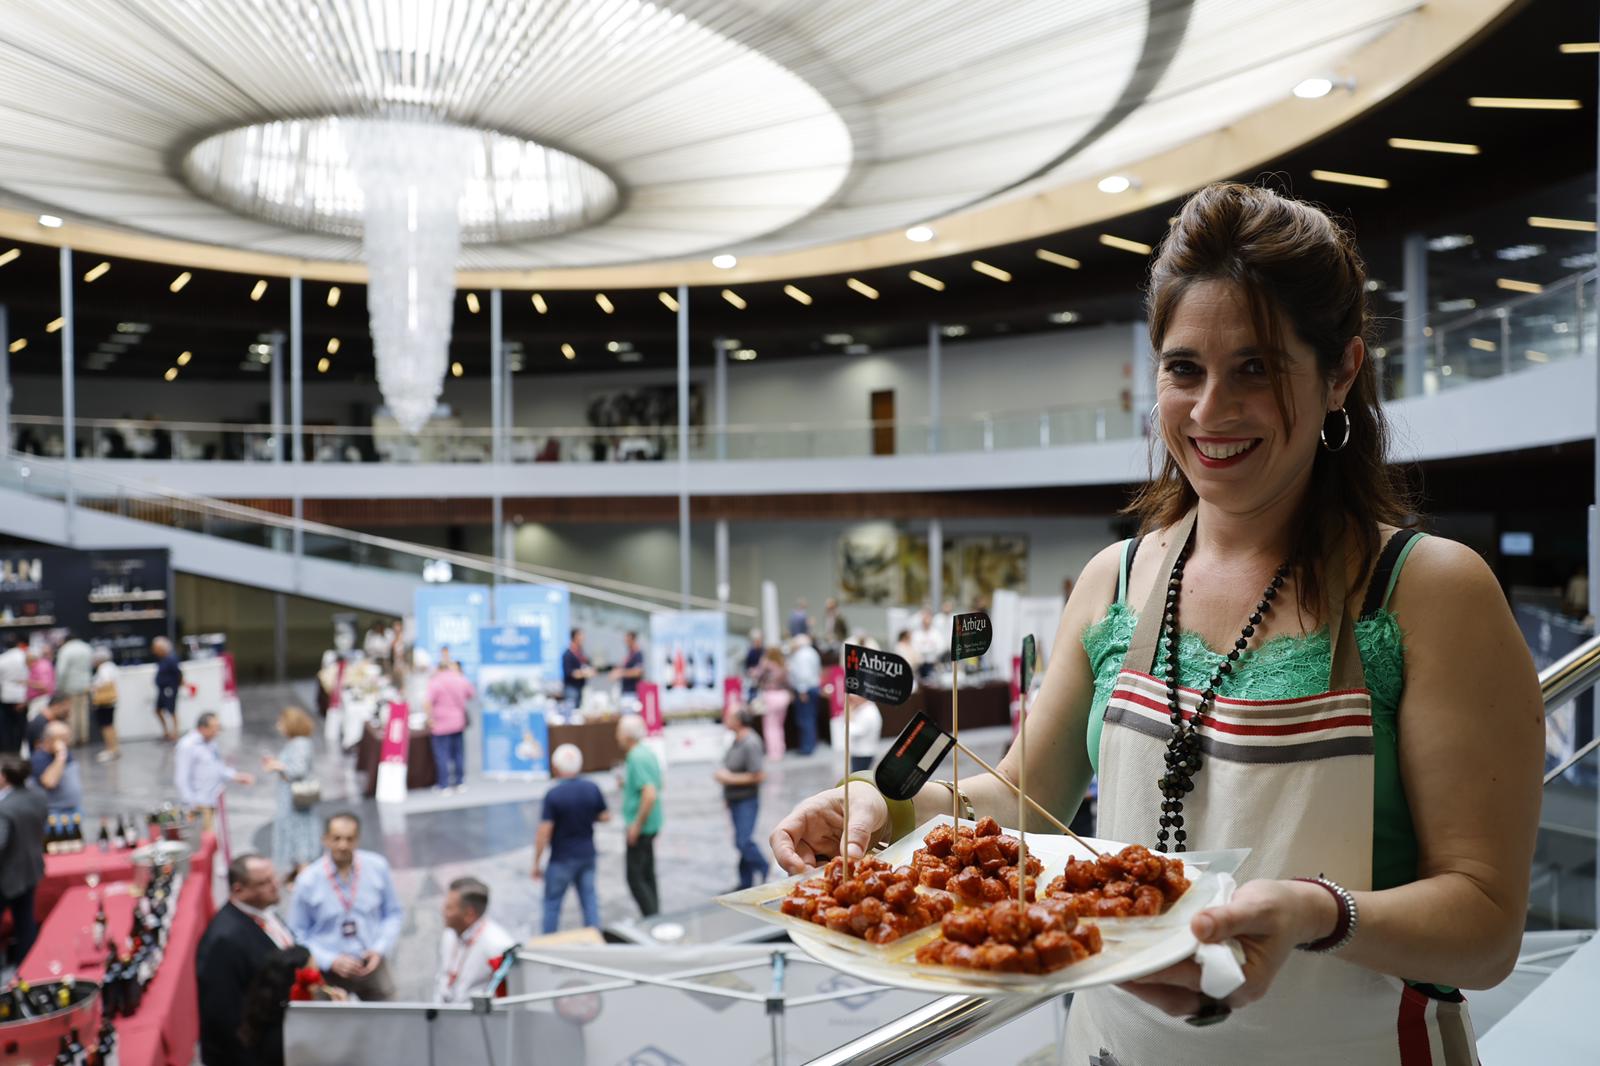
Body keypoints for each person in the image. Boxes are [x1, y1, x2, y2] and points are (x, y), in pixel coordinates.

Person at [769, 182, 1543, 1063]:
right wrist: (887, 804)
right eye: (1185, 370)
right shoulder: (1117, 581)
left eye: (1256, 367)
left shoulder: (1429, 591)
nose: (1211, 411)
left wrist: (1320, 913)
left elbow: (1484, 926)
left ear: (1341, 374)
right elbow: (1024, 796)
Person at [288, 812, 404, 1000]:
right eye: (337, 838)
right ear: (325, 839)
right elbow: (298, 933)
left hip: (370, 962)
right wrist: (330, 960)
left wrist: (379, 949)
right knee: (327, 1025)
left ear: (357, 840)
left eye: (349, 839)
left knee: (390, 1018)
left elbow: (393, 914)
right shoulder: (308, 880)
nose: (343, 845)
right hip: (328, 969)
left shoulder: (377, 867)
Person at [197, 854, 298, 1066]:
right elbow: (223, 1018)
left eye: (273, 877)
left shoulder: (263, 911)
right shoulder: (224, 941)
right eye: (264, 883)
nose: (275, 885)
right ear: (238, 890)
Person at [533, 743, 609, 933]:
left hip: (561, 858)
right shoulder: (591, 788)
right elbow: (605, 816)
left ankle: (548, 944)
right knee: (589, 900)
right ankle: (594, 937)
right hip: (587, 854)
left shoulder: (554, 795)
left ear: (556, 766)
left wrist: (536, 862)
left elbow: (544, 831)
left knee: (552, 904)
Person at [236, 945, 346, 1066]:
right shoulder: (286, 1034)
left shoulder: (265, 1016)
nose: (320, 981)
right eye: (315, 973)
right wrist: (342, 1016)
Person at [434, 876, 517, 1004]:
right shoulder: (450, 935)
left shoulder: (497, 946)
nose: (443, 912)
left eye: (449, 908)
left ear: (469, 914)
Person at [0, 754, 46, 966]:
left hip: (6, 878)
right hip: (31, 869)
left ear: (3, 778)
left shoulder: (4, 809)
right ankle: (28, 967)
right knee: (25, 922)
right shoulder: (37, 797)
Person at [262, 708, 319, 877]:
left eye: (281, 722)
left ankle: (303, 871)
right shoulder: (297, 743)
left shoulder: (300, 743)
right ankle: (297, 870)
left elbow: (298, 770)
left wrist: (277, 765)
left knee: (298, 832)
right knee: (293, 830)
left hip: (295, 798)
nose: (279, 726)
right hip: (290, 796)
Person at [615, 715, 662, 917]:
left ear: (626, 735)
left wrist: (636, 825)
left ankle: (650, 916)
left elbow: (649, 794)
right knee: (647, 873)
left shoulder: (636, 756)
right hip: (651, 823)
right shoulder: (647, 752)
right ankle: (655, 914)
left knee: (635, 877)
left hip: (642, 825)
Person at [716, 705, 767, 889]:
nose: (726, 719)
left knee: (743, 840)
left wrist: (729, 778)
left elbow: (759, 774)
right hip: (735, 798)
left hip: (747, 799)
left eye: (729, 717)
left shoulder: (751, 742)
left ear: (738, 721)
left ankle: (763, 865)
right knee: (740, 840)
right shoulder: (735, 740)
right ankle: (745, 881)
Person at [176, 712, 254, 829]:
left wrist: (236, 776)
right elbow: (182, 777)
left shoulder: (211, 743)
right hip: (199, 803)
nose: (217, 732)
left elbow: (217, 767)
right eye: (214, 728)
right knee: (205, 838)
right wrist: (191, 804)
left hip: (213, 799)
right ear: (203, 728)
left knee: (215, 837)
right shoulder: (187, 746)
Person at [425, 660, 473, 793]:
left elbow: (427, 702)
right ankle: (460, 782)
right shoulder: (460, 678)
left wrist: (429, 718)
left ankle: (444, 784)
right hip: (458, 722)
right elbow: (470, 694)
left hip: (440, 724)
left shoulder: (435, 682)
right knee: (458, 753)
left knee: (442, 754)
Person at [28, 721, 80, 818]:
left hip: (71, 811)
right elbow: (49, 782)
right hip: (54, 812)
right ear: (49, 740)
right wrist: (60, 755)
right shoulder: (39, 758)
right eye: (64, 738)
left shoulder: (65, 754)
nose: (68, 741)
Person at [787, 634, 822, 756]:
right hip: (813, 688)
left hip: (805, 690)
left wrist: (802, 690)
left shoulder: (801, 655)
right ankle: (811, 744)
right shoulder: (812, 652)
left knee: (805, 719)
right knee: (810, 718)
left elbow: (803, 674)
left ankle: (807, 747)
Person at [53, 634, 91, 747]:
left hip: (70, 686)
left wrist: (59, 686)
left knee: (71, 713)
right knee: (83, 712)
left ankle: (72, 739)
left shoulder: (66, 649)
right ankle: (84, 738)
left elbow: (61, 670)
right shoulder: (86, 647)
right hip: (85, 684)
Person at [753, 646, 789, 760]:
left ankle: (773, 753)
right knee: (779, 725)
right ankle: (781, 749)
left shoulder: (766, 665)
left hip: (771, 696)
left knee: (770, 726)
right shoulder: (783, 665)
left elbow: (757, 676)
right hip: (783, 696)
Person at [89, 647, 120, 762]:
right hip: (111, 702)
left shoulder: (104, 668)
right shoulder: (111, 666)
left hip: (104, 702)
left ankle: (110, 750)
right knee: (110, 725)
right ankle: (115, 748)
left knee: (106, 726)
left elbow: (106, 682)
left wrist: (94, 687)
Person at [0, 637, 29, 755]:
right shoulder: (24, 656)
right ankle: (22, 747)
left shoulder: (2, 659)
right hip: (23, 695)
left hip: (6, 695)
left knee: (7, 724)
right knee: (22, 723)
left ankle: (8, 747)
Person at [152, 636, 181, 741]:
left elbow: (178, 674)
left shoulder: (171, 659)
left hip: (169, 689)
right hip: (162, 689)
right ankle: (166, 731)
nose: (154, 650)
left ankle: (175, 732)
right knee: (158, 710)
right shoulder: (162, 660)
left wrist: (176, 686)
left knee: (171, 710)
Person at [845, 694, 882, 773]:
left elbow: (854, 732)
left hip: (863, 753)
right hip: (859, 751)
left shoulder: (868, 713)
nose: (851, 701)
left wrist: (849, 713)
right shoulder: (863, 708)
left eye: (853, 699)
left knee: (858, 778)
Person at [560, 629, 595, 709]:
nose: (583, 638)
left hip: (581, 687)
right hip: (571, 688)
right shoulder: (568, 654)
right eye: (581, 636)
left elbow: (588, 665)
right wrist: (584, 673)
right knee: (571, 711)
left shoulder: (581, 654)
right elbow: (569, 672)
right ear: (575, 637)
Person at [909, 608, 942, 679]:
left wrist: (928, 648)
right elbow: (914, 646)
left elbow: (940, 646)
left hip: (932, 662)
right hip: (920, 664)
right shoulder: (917, 633)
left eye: (928, 618)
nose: (926, 621)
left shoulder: (935, 633)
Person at [612, 631, 645, 698]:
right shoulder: (629, 655)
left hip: (633, 692)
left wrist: (620, 673)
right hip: (626, 691)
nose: (626, 643)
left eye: (627, 640)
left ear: (633, 640)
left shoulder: (637, 654)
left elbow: (638, 672)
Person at [24, 645, 54, 717]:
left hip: (41, 699)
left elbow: (44, 686)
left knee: (34, 719)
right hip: (39, 698)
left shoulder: (40, 667)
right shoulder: (43, 664)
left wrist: (28, 683)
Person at [743, 629, 765, 698]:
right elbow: (747, 667)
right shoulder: (750, 653)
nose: (758, 642)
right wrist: (751, 672)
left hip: (763, 680)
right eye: (756, 640)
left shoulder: (764, 651)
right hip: (752, 680)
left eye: (759, 640)